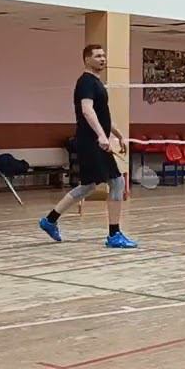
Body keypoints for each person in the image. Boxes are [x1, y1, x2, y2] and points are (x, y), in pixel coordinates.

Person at [39, 44, 137, 248]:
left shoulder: (97, 83)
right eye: (98, 56)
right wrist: (101, 136)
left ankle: (50, 220)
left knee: (88, 186)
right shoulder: (85, 82)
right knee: (117, 182)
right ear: (87, 59)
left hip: (94, 141)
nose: (103, 59)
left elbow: (102, 115)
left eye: (104, 55)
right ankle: (114, 235)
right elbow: (87, 110)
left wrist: (117, 134)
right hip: (90, 141)